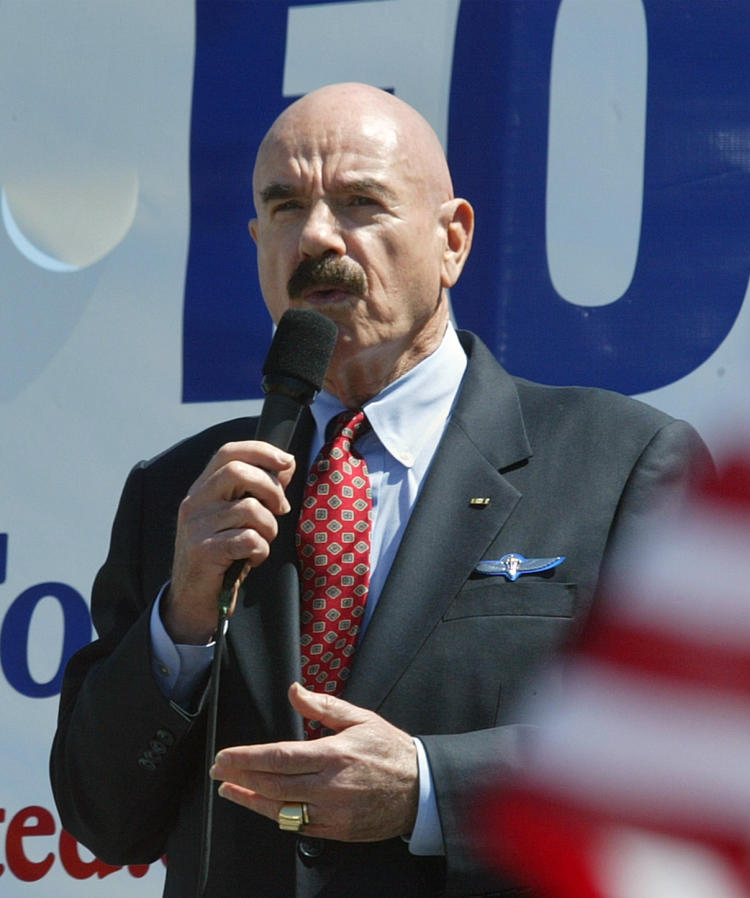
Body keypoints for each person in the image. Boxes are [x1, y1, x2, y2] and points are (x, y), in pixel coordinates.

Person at [50, 82, 707, 897]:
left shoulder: (624, 464)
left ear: (453, 240)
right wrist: (182, 618)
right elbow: (101, 817)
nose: (317, 235)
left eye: (360, 203)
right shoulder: (181, 495)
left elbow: (701, 763)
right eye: (285, 208)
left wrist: (431, 789)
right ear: (258, 242)